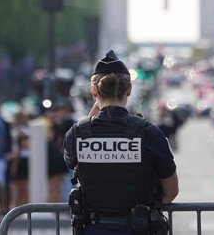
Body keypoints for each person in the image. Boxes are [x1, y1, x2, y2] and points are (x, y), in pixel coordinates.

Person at [64, 50, 179, 234]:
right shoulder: (149, 133)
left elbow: (72, 160)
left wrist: (96, 108)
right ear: (129, 90)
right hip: (137, 228)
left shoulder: (78, 134)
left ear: (94, 91)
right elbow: (171, 191)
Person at [6, 110, 30, 208]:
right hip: (24, 159)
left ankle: (18, 208)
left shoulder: (21, 132)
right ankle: (21, 207)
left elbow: (20, 149)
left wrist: (14, 161)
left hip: (20, 160)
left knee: (20, 188)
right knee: (23, 187)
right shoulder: (26, 130)